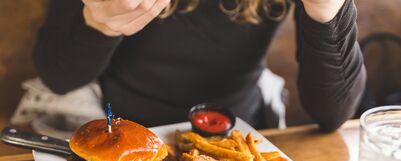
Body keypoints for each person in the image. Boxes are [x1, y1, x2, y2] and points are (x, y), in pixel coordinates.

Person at [33, 0, 366, 131]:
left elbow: (333, 114)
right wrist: (100, 25)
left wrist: (327, 12)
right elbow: (58, 76)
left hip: (242, 136)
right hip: (121, 128)